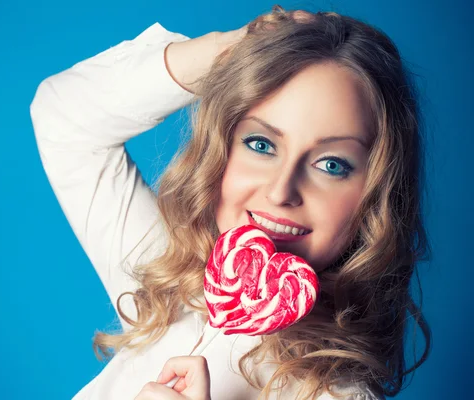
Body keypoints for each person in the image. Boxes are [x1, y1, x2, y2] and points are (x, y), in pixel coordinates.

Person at [29, 5, 431, 400]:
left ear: (375, 195)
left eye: (331, 164)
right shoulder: (163, 278)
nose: (280, 191)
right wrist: (229, 52)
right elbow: (63, 117)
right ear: (222, 149)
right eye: (261, 144)